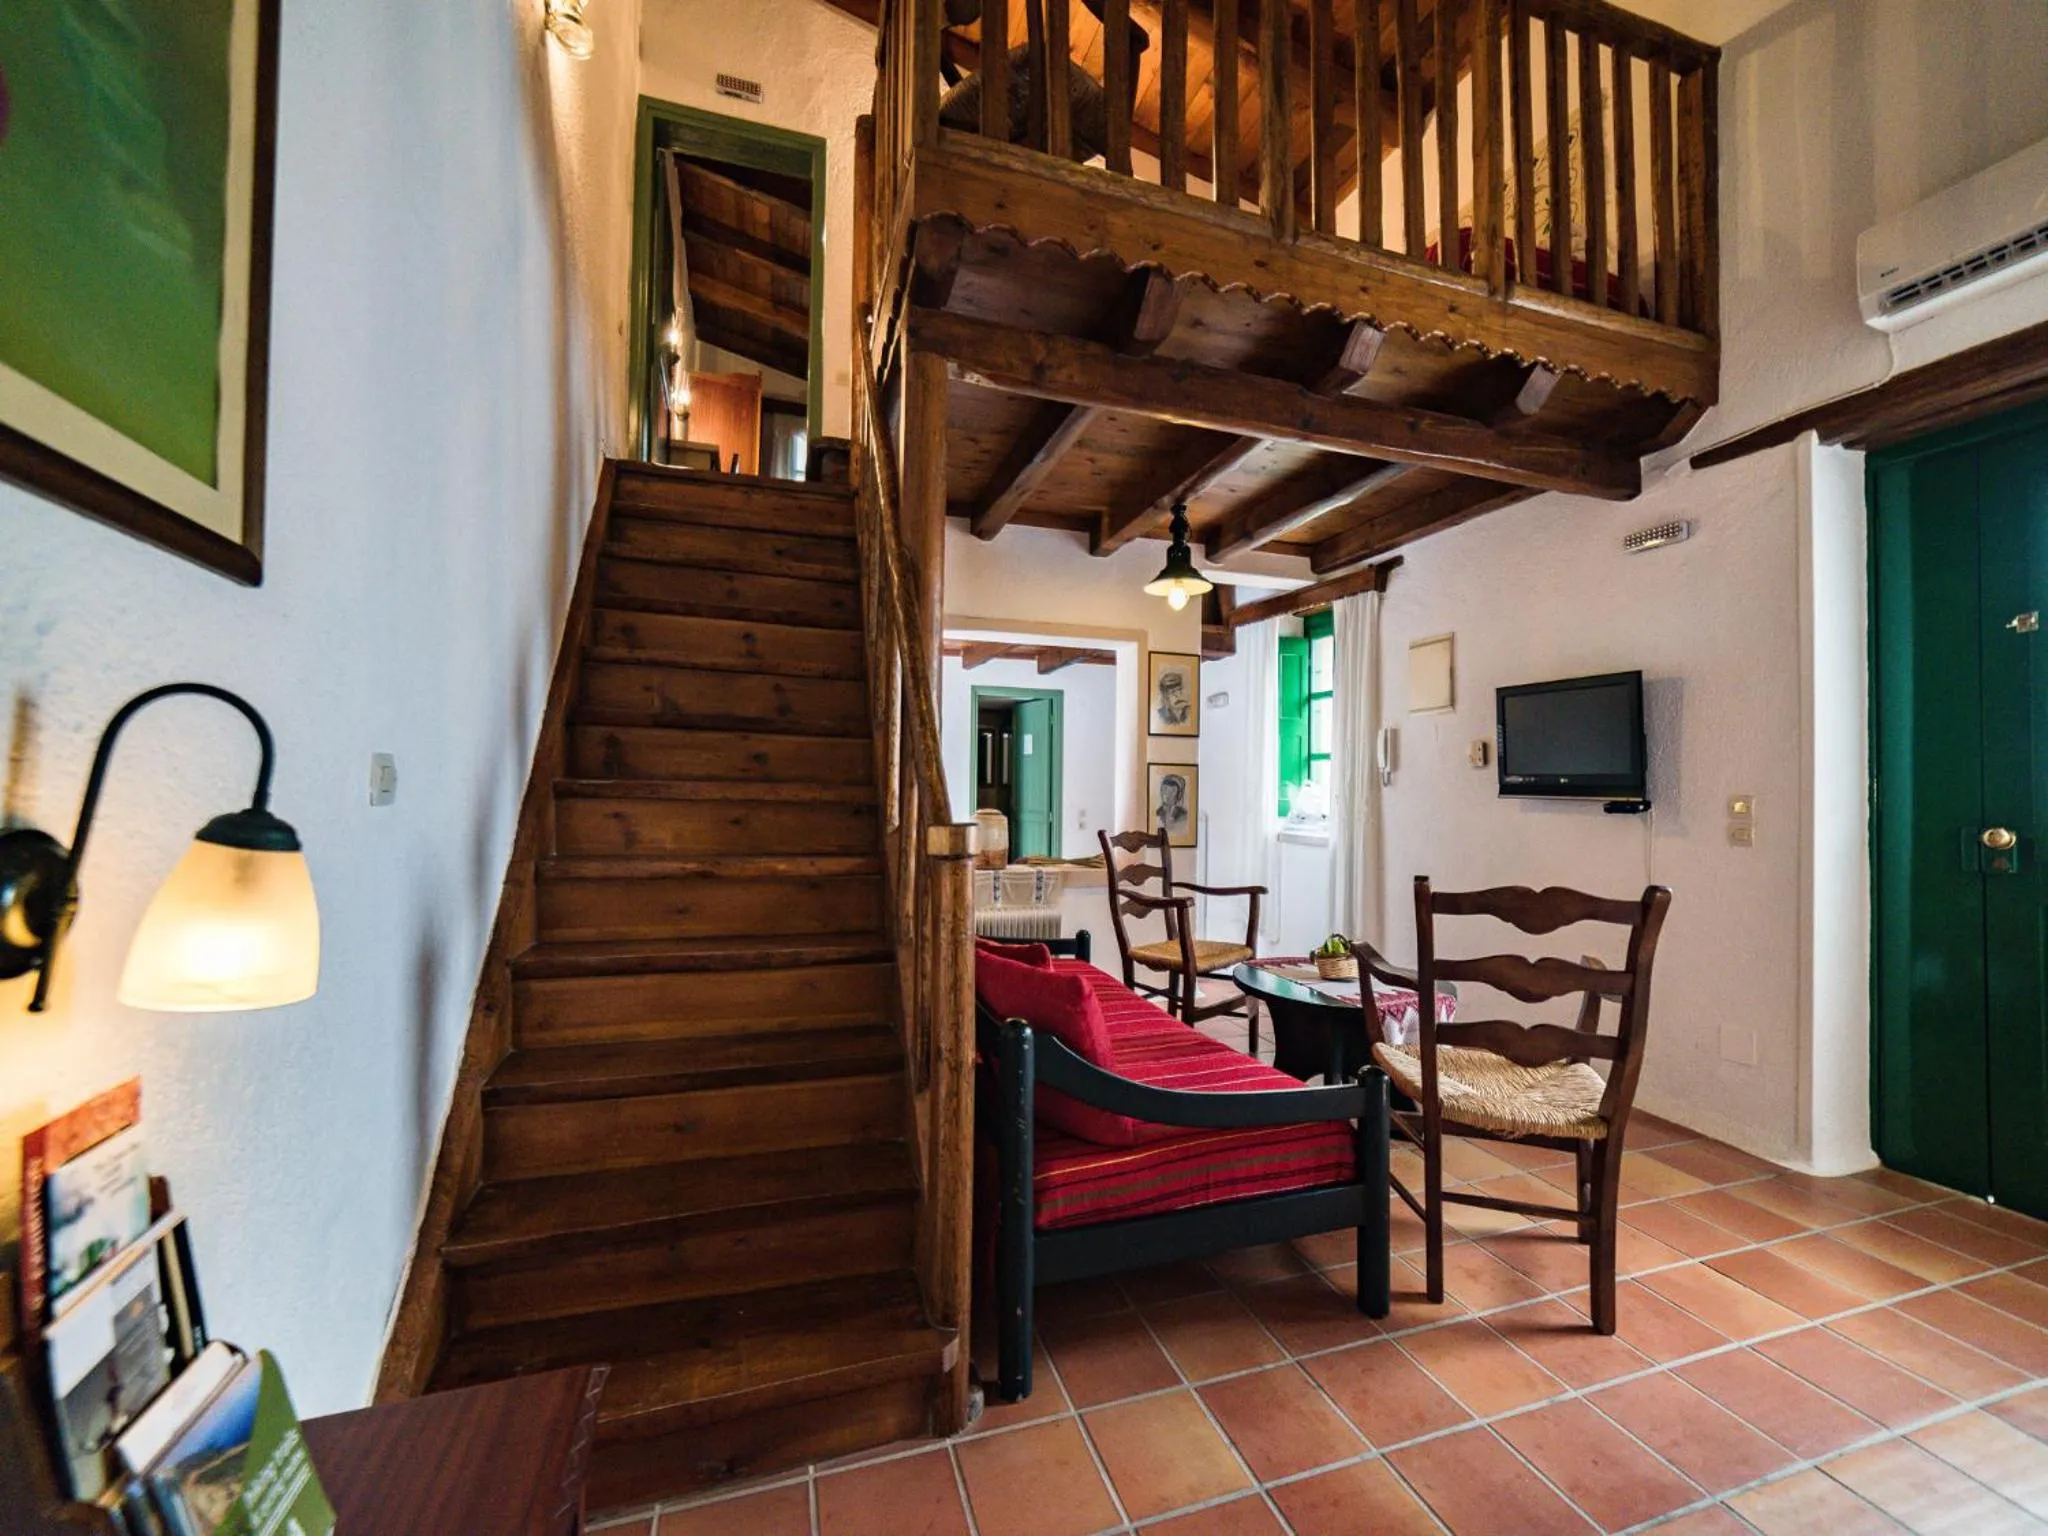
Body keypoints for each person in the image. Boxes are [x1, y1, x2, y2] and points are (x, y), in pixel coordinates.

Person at [1155, 773, 1188, 838]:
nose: (1167, 793)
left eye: (1173, 790)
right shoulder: (1157, 813)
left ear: (1179, 794)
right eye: (1165, 788)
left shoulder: (1183, 815)